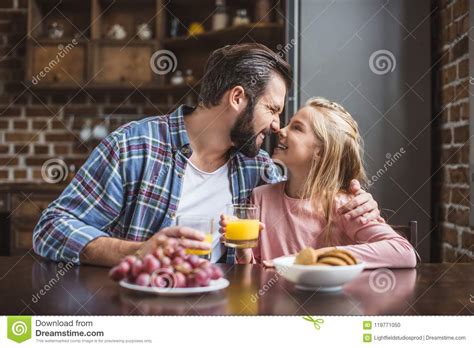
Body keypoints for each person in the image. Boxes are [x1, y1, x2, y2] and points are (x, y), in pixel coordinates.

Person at [33, 44, 382, 267]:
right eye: (273, 109)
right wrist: (135, 251)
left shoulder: (260, 168)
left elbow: (306, 213)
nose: (277, 126)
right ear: (237, 98)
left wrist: (356, 204)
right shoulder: (134, 148)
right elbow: (50, 228)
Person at [219, 97, 417, 268]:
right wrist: (244, 253)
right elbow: (257, 274)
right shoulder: (260, 198)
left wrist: (315, 259)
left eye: (296, 128)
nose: (281, 130)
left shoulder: (346, 205)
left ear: (321, 152)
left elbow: (404, 253)